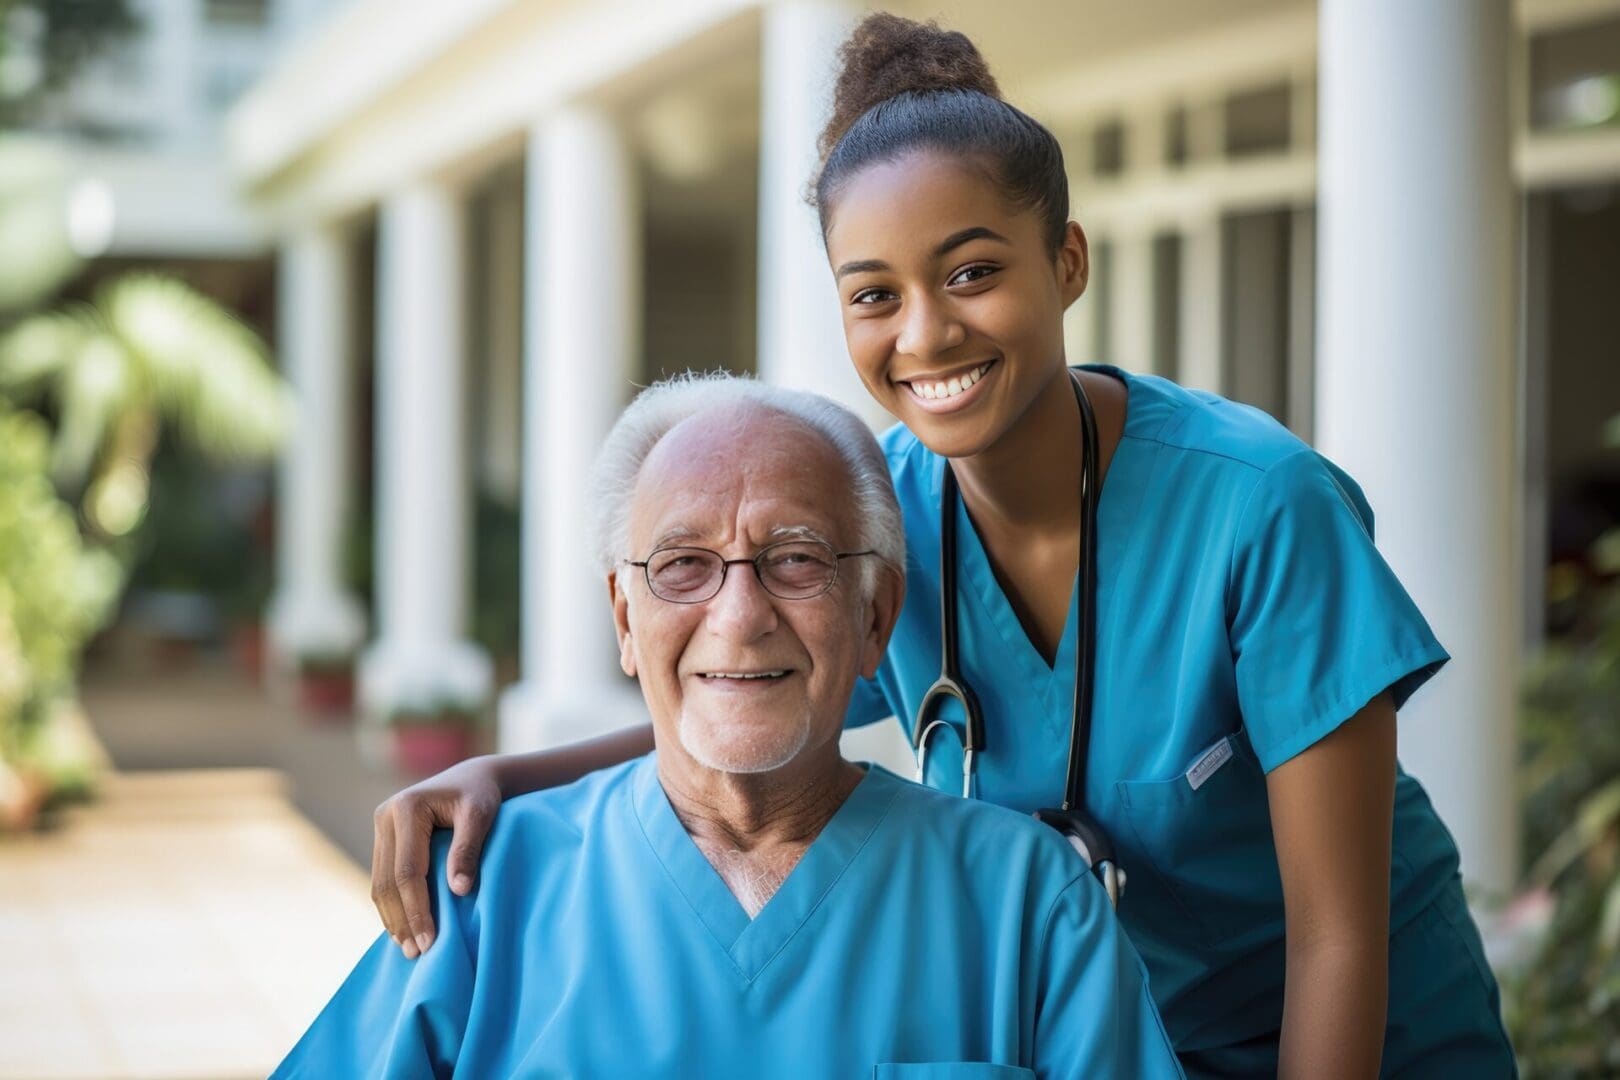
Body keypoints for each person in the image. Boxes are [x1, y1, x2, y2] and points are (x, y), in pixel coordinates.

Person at [367, 15, 1516, 1078]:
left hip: (1356, 1036)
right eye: (875, 295)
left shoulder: (1261, 510)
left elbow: (1335, 939)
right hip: (1107, 1033)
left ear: (1066, 262)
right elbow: (748, 680)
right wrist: (504, 776)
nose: (925, 333)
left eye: (972, 272)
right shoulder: (881, 512)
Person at [278, 377, 1183, 1078]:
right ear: (626, 622)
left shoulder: (1027, 902)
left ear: (875, 617)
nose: (740, 615)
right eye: (682, 566)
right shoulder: (484, 889)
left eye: (795, 560)